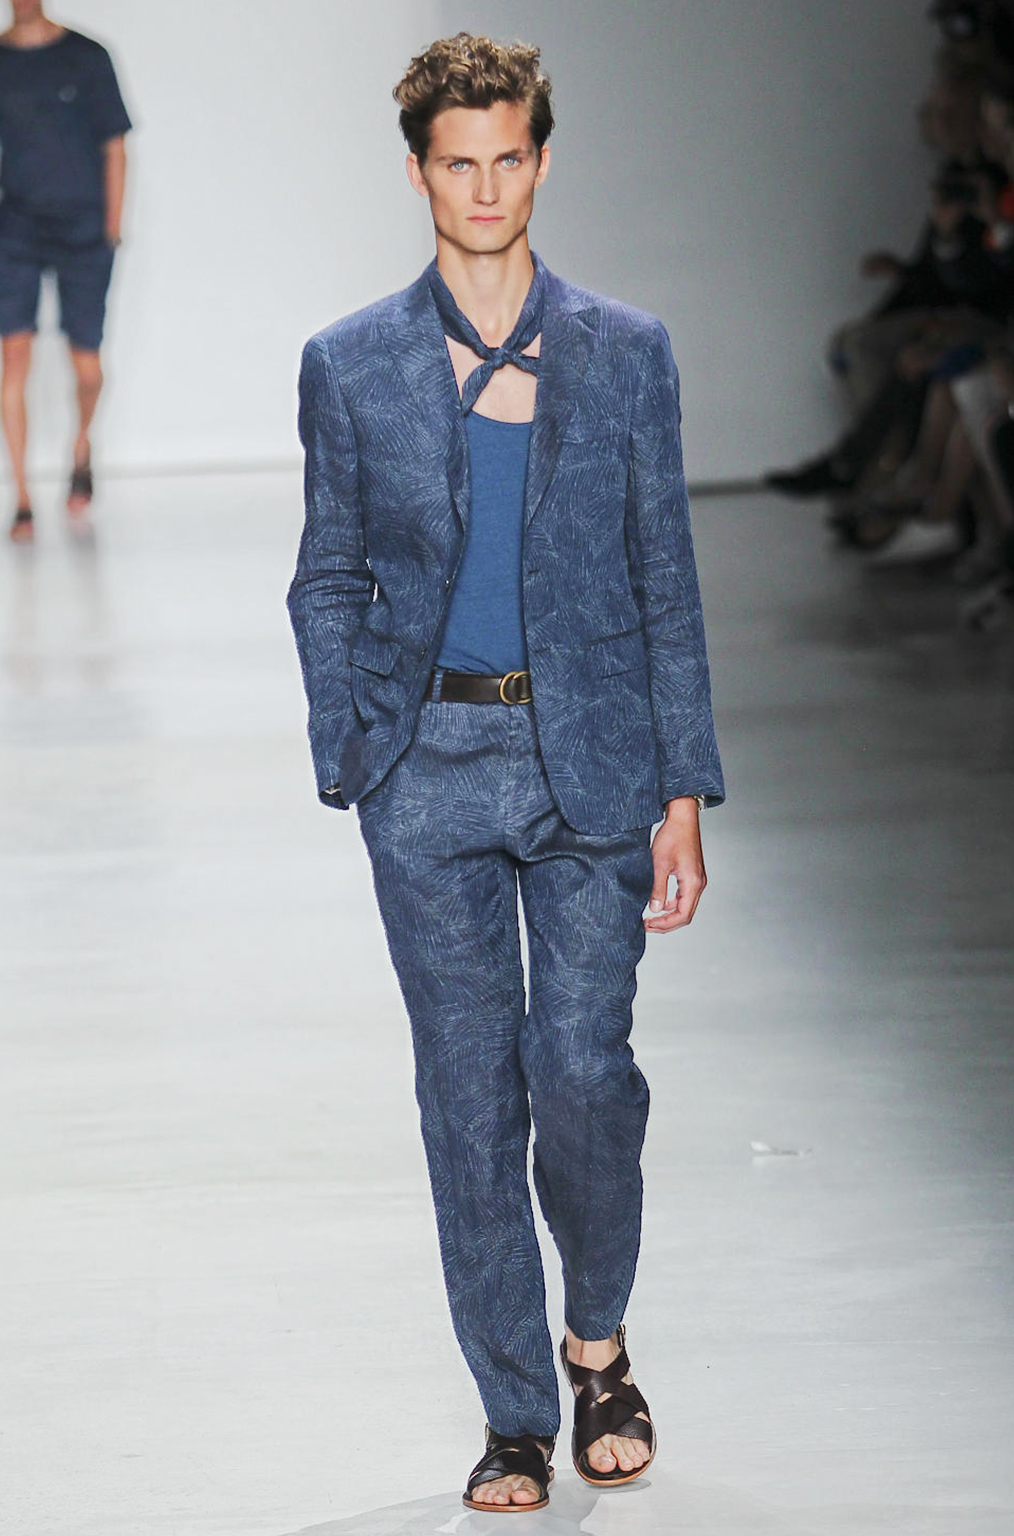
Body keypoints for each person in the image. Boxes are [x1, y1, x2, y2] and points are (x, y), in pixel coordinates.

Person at [288, 32, 724, 1513]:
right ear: (419, 172)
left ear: (541, 160)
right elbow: (327, 572)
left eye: (508, 159)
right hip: (428, 769)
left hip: (589, 763)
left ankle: (598, 1341)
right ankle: (516, 1412)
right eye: (457, 164)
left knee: (585, 1072)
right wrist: (355, 747)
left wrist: (683, 788)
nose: (485, 189)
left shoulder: (625, 351)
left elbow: (666, 577)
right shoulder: (350, 363)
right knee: (468, 1098)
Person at [0, 1, 131, 542]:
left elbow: (115, 145)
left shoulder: (87, 56)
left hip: (83, 229)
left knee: (87, 368)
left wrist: (112, 230)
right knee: (13, 355)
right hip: (16, 229)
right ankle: (22, 497)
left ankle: (81, 445)